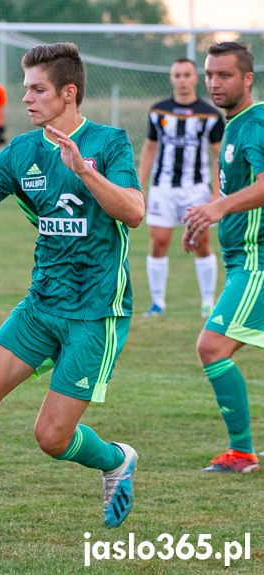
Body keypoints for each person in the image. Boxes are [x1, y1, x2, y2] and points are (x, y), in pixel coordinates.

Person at [0, 43, 143, 535]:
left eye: (38, 90)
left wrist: (84, 170)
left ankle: (117, 459)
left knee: (52, 438)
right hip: (40, 307)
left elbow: (134, 212)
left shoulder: (109, 143)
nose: (27, 100)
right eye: (26, 90)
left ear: (69, 92)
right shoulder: (21, 151)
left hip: (95, 312)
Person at [183, 42, 264, 473]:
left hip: (258, 263)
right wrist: (208, 217)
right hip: (241, 262)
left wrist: (217, 208)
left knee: (212, 346)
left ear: (247, 79)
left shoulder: (257, 123)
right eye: (210, 74)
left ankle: (242, 453)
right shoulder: (234, 124)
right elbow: (237, 192)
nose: (213, 82)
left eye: (225, 75)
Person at [139, 58, 224, 319]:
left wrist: (216, 193)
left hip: (196, 189)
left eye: (187, 75)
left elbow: (217, 155)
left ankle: (208, 303)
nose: (182, 80)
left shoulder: (210, 115)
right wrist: (138, 186)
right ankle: (157, 303)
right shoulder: (158, 112)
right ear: (171, 78)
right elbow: (150, 148)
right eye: (177, 75)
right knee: (159, 243)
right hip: (163, 187)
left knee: (202, 243)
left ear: (195, 78)